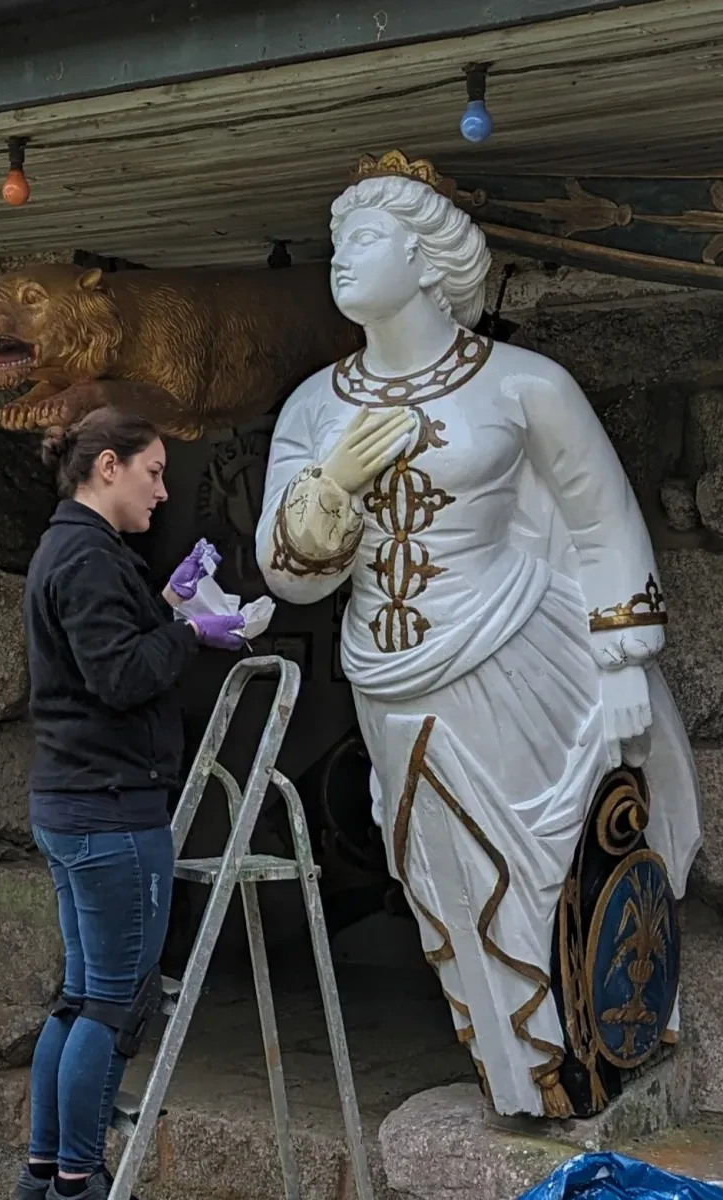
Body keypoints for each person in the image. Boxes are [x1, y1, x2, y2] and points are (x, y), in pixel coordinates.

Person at [255, 152, 701, 1119]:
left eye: (364, 239)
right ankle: (511, 1060)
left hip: (520, 655)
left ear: (426, 261)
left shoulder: (525, 385)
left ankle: (579, 1050)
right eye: (336, 241)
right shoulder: (313, 407)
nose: (342, 258)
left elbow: (601, 519)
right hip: (388, 674)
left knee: (552, 860)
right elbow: (289, 575)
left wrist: (625, 661)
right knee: (434, 869)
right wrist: (328, 490)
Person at [14, 406, 244, 1200]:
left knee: (79, 998)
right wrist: (193, 633)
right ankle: (79, 1181)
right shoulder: (85, 559)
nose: (160, 491)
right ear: (105, 466)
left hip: (75, 803)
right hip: (110, 811)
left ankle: (42, 1173)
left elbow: (108, 653)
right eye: (152, 472)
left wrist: (173, 605)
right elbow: (120, 676)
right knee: (113, 1009)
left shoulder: (76, 550)